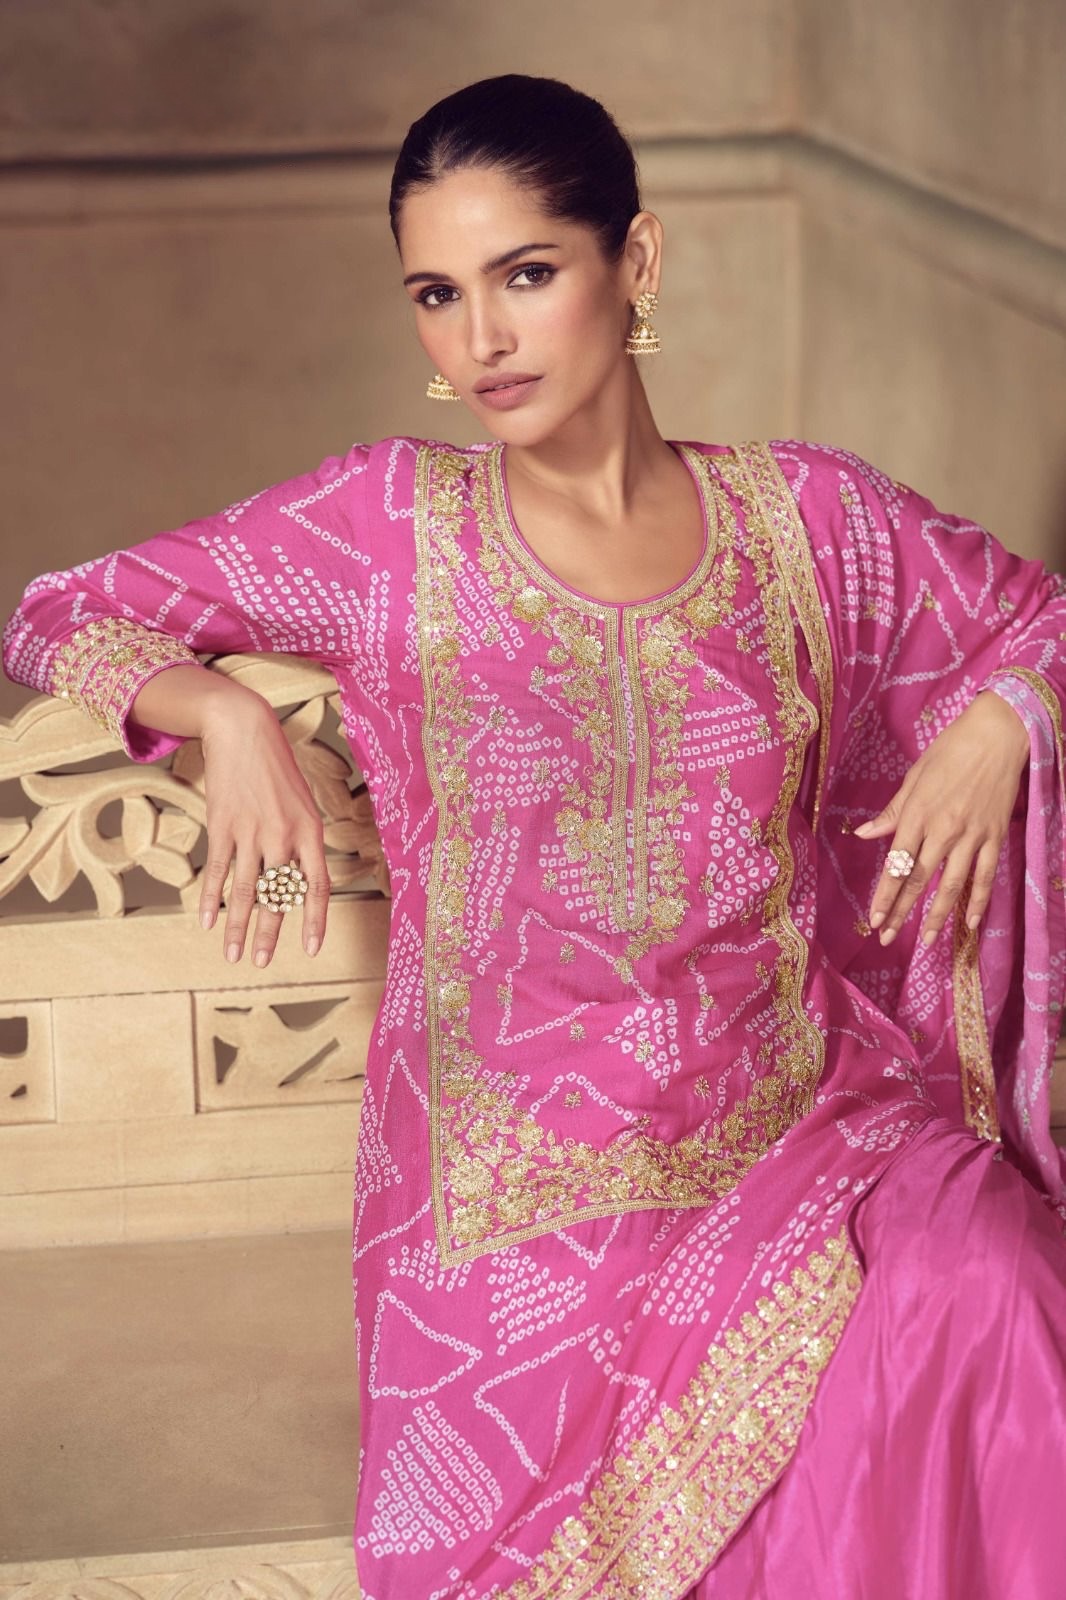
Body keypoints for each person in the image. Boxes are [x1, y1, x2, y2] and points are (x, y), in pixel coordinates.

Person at [3, 72, 1065, 1600]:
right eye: (437, 294)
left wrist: (998, 721)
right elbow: (56, 611)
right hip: (518, 1208)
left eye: (524, 274)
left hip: (801, 1118)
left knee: (1002, 1284)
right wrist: (218, 712)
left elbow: (1041, 622)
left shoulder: (806, 524)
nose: (481, 339)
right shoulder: (382, 527)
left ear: (636, 261)